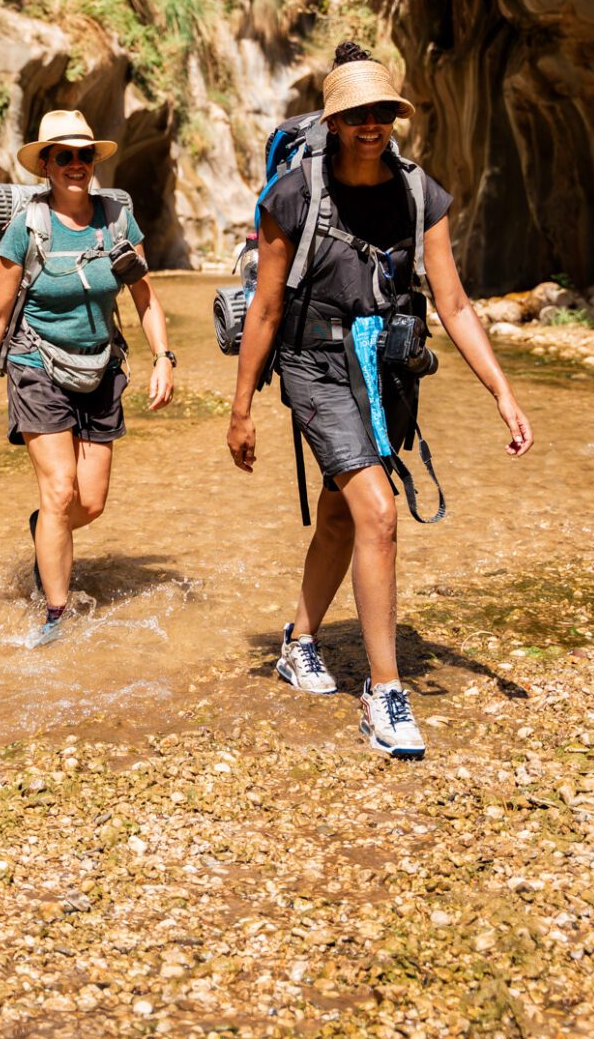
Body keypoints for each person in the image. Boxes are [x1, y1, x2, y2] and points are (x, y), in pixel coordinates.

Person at [226, 41, 533, 759]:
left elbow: (453, 304)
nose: (371, 125)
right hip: (314, 363)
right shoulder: (293, 197)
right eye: (357, 113)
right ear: (333, 121)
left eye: (383, 112)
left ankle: (299, 642)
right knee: (380, 513)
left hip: (387, 367)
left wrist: (502, 392)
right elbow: (267, 312)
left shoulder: (421, 193)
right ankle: (384, 697)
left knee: (341, 515)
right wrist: (240, 410)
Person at [0, 109, 176, 645]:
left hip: (100, 366)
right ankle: (56, 616)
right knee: (59, 491)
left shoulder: (117, 221)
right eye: (64, 156)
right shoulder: (26, 227)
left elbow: (144, 297)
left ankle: (45, 532)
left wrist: (164, 357)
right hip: (37, 366)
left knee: (90, 502)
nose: (76, 165)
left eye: (84, 155)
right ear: (47, 166)